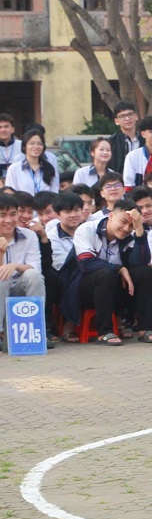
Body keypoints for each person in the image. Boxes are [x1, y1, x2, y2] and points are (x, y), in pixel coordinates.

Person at [73, 199, 152, 345]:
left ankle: (145, 329)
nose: (126, 228)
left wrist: (139, 231)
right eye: (123, 221)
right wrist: (118, 268)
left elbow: (140, 262)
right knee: (106, 273)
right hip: (86, 289)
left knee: (145, 272)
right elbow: (86, 264)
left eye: (131, 225)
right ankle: (104, 332)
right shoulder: (86, 229)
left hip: (116, 290)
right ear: (111, 216)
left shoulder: (129, 236)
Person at [0, 192, 46, 351]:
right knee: (2, 278)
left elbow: (35, 267)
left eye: (13, 214)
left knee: (33, 275)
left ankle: (36, 330)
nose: (8, 220)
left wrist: (15, 266)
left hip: (19, 287)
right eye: (2, 215)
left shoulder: (30, 236)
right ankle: (0, 333)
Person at [47, 191, 85, 342]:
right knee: (75, 267)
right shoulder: (52, 236)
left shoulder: (89, 230)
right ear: (58, 214)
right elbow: (60, 264)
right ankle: (69, 324)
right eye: (67, 211)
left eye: (76, 210)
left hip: (89, 276)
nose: (73, 215)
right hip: (62, 279)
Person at [106, 101, 142, 173]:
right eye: (122, 116)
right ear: (116, 121)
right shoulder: (111, 142)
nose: (127, 118)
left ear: (136, 116)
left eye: (130, 114)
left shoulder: (145, 139)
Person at [0, 113, 21, 181]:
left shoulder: (22, 145)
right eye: (0, 127)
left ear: (12, 129)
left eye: (6, 127)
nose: (3, 130)